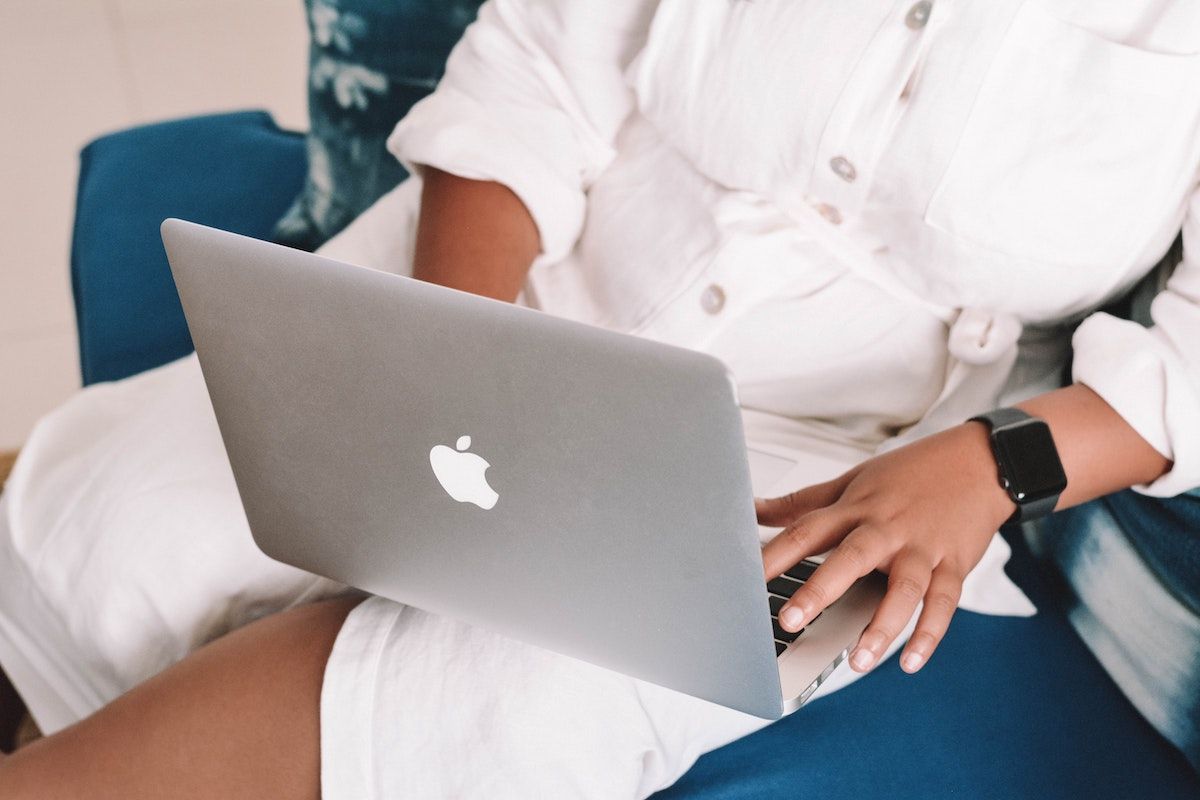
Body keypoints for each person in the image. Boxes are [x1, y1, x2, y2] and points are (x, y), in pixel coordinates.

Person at [1, 0, 1198, 796]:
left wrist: (991, 469)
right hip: (531, 273)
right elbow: (534, 70)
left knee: (498, 701)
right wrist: (451, 343)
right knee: (129, 531)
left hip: (854, 457)